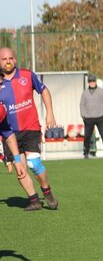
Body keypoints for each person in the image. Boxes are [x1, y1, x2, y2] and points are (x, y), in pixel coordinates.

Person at [0, 47, 58, 211]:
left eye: (10, 58)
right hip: (9, 133)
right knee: (20, 168)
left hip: (30, 128)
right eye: (4, 59)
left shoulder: (27, 75)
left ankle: (46, 191)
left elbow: (44, 91)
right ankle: (34, 200)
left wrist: (50, 113)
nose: (8, 61)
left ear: (15, 59)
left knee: (34, 164)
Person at [79, 74, 103, 158]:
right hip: (88, 118)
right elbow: (82, 104)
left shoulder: (101, 91)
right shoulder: (85, 93)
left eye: (93, 81)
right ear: (88, 82)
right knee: (87, 136)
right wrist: (83, 115)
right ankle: (86, 153)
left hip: (100, 117)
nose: (92, 83)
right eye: (90, 81)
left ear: (95, 82)